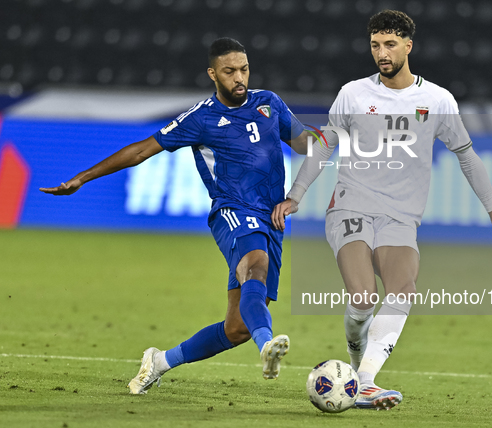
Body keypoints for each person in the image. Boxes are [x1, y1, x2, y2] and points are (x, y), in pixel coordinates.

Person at [272, 10, 492, 410]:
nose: (382, 52)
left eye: (390, 44)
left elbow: (467, 156)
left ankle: (365, 381)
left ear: (408, 46)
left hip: (401, 218)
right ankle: (358, 354)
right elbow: (325, 143)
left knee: (403, 290)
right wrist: (298, 193)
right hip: (351, 205)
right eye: (376, 44)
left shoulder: (437, 100)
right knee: (362, 296)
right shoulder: (354, 94)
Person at [40, 37, 311, 395]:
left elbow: (309, 145)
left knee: (236, 329)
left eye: (244, 69)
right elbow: (141, 151)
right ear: (213, 73)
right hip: (232, 211)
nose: (239, 77)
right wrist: (82, 178)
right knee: (254, 265)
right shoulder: (201, 118)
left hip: (272, 217)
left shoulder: (269, 103)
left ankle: (160, 361)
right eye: (229, 71)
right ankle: (267, 346)